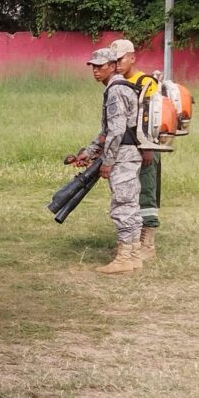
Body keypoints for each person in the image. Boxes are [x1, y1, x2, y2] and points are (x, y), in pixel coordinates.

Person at [73, 48, 142, 274]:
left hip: (122, 154)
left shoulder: (115, 91)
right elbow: (108, 132)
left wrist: (107, 161)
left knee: (122, 205)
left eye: (100, 66)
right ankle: (133, 255)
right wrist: (91, 151)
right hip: (130, 152)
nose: (95, 70)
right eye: (93, 66)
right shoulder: (123, 87)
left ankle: (124, 259)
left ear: (113, 66)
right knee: (130, 204)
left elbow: (116, 131)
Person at [110, 38, 161, 260]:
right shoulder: (118, 83)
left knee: (146, 191)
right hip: (128, 147)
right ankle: (132, 242)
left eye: (121, 58)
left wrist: (149, 148)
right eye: (114, 60)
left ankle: (147, 243)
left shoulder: (147, 82)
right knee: (129, 193)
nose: (117, 63)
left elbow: (152, 118)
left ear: (132, 57)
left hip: (146, 146)